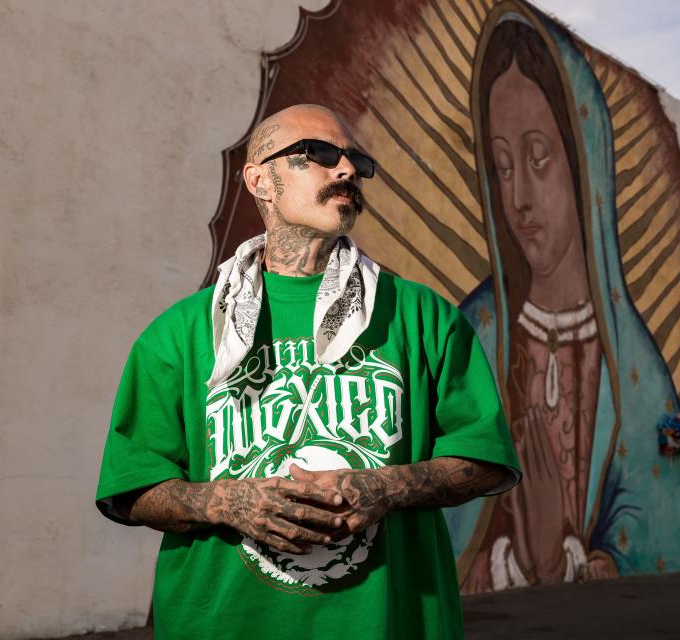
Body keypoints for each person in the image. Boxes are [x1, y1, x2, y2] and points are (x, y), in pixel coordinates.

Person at [95, 104, 520, 639]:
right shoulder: (178, 334)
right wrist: (229, 501)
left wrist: (387, 486)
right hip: (224, 625)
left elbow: (486, 460)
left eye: (356, 162)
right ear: (259, 181)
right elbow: (134, 489)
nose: (345, 170)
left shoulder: (422, 317)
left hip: (389, 623)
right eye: (318, 154)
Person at [445, 8, 680, 592]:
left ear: (585, 165)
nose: (519, 198)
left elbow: (662, 538)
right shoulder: (471, 335)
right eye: (503, 166)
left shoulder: (635, 369)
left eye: (539, 158)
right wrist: (510, 559)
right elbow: (435, 524)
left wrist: (565, 563)